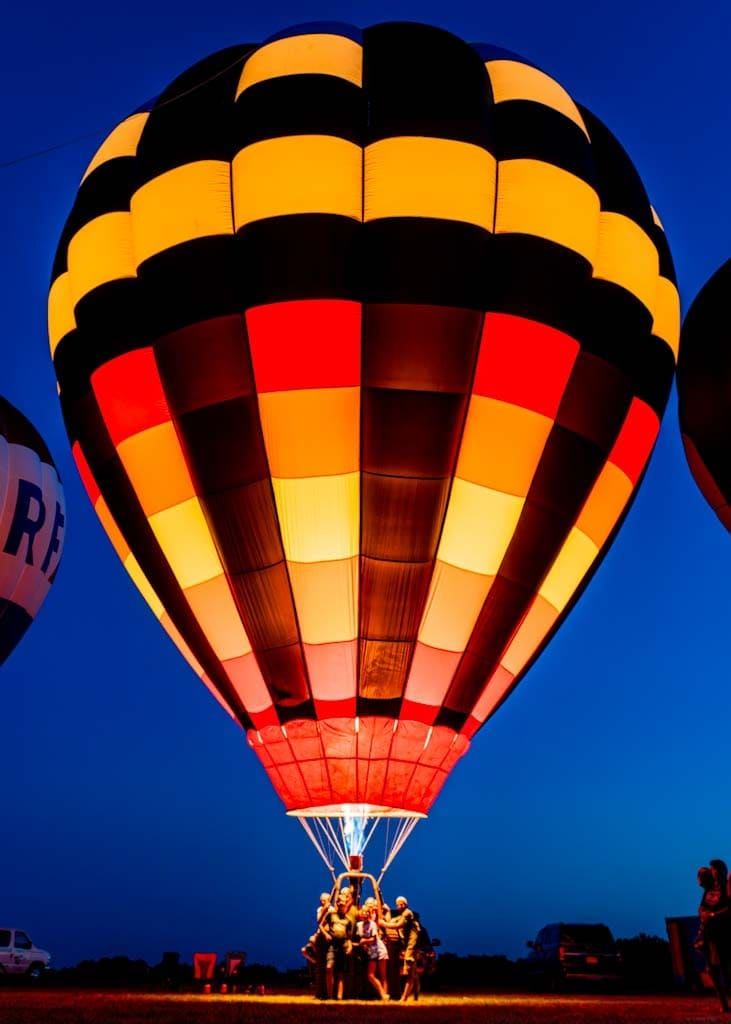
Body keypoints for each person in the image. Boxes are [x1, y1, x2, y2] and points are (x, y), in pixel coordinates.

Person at [696, 865, 731, 1013]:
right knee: (712, 969)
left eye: (715, 870)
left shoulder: (726, 888)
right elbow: (702, 907)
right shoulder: (709, 890)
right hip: (709, 933)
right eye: (712, 871)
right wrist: (702, 913)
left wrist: (713, 915)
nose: (713, 873)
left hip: (723, 933)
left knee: (725, 968)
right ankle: (724, 1003)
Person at [322, 893, 354, 1000]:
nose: (341, 905)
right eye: (340, 903)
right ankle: (330, 996)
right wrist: (325, 934)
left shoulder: (348, 920)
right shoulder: (331, 915)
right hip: (332, 945)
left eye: (343, 903)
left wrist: (350, 946)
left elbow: (349, 937)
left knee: (341, 972)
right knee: (329, 967)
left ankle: (339, 997)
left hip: (342, 945)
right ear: (337, 903)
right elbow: (321, 925)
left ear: (346, 905)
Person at [357, 899, 389, 1000]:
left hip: (379, 950)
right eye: (364, 912)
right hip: (371, 952)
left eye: (367, 912)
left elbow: (373, 939)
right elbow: (358, 937)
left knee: (382, 975)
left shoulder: (373, 924)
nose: (365, 914)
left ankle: (384, 996)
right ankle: (383, 994)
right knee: (370, 975)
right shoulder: (359, 925)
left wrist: (364, 941)